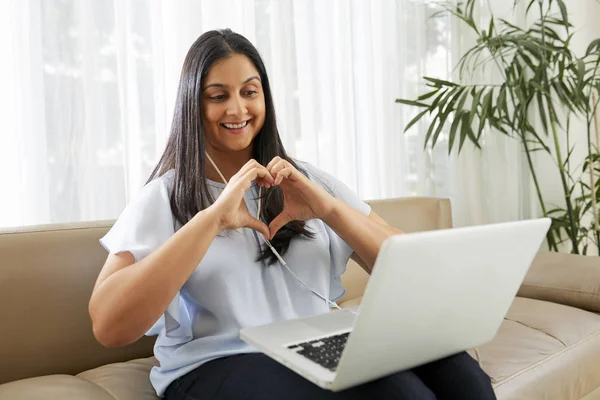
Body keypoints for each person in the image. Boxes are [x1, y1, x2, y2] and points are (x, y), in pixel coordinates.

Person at [89, 29, 496, 400]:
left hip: (312, 345)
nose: (237, 108)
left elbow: (416, 271)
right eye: (218, 96)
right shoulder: (165, 196)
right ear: (192, 105)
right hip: (215, 363)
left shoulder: (304, 179)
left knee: (462, 376)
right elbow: (109, 325)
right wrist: (210, 219)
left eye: (250, 91)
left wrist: (330, 210)